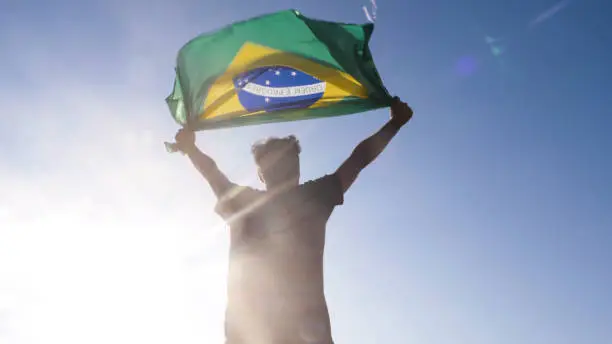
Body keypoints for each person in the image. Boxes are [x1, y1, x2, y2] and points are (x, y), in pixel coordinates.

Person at [174, 97, 413, 344]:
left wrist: (191, 149)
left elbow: (358, 160)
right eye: (278, 162)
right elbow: (358, 160)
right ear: (262, 173)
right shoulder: (284, 199)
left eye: (288, 161)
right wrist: (394, 124)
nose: (285, 167)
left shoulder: (296, 198)